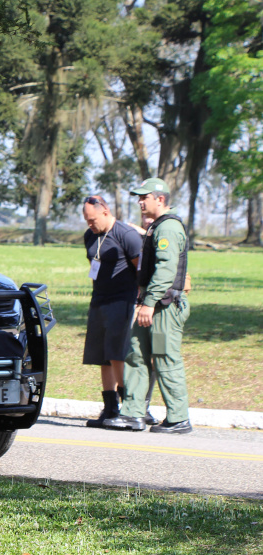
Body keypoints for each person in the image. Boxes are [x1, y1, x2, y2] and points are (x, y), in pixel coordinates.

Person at [104, 178, 192, 434]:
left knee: (165, 358)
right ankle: (133, 413)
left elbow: (166, 270)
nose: (140, 202)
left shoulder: (168, 228)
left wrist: (149, 303)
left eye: (145, 197)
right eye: (139, 198)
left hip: (165, 305)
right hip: (152, 304)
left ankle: (178, 418)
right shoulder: (156, 227)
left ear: (160, 199)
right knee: (136, 355)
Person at [80, 195, 143, 428]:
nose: (90, 224)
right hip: (99, 299)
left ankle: (128, 407)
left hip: (122, 299)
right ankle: (109, 408)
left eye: (93, 219)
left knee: (117, 353)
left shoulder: (126, 235)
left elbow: (141, 270)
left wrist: (139, 300)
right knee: (102, 356)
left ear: (105, 211)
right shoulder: (90, 235)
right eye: (86, 220)